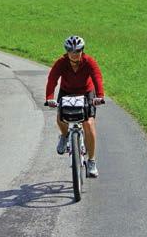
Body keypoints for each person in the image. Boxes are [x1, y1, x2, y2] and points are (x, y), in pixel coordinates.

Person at [45, 35, 104, 177]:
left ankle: (91, 161)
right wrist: (49, 98)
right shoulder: (61, 62)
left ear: (82, 50)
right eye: (71, 51)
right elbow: (52, 79)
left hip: (86, 92)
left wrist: (100, 96)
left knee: (88, 124)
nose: (74, 54)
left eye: (77, 51)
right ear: (67, 51)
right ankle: (65, 136)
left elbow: (97, 77)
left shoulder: (89, 62)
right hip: (67, 92)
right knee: (60, 117)